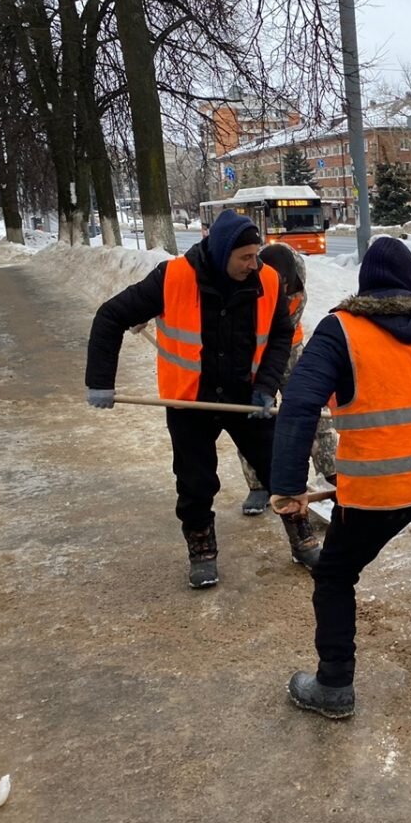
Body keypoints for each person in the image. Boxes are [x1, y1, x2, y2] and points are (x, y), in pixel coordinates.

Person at [269, 236, 411, 719]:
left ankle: (334, 685)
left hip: (378, 486)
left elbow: (298, 404)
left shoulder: (341, 329)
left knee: (336, 574)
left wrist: (288, 485)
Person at [85, 208, 314, 589]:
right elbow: (111, 316)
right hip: (190, 401)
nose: (253, 264)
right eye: (245, 257)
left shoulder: (268, 281)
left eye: (256, 255)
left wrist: (266, 386)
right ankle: (202, 549)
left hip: (245, 397)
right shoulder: (173, 278)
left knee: (282, 469)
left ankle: (302, 536)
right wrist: (100, 381)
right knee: (195, 482)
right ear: (222, 253)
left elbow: (280, 335)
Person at [234, 243, 336, 566]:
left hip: (290, 344)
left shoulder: (296, 271)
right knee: (256, 418)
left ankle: (331, 469)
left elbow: (293, 312)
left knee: (312, 410)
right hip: (254, 351)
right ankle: (259, 485)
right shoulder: (252, 278)